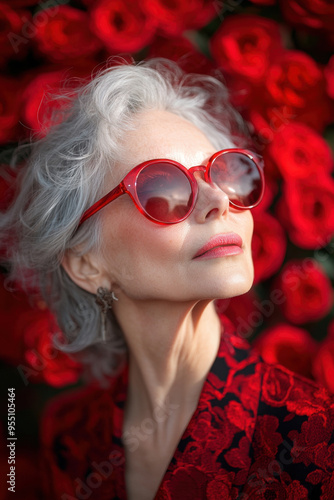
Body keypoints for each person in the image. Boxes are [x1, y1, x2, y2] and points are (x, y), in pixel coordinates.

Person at [1, 59, 334, 500]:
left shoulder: (316, 439)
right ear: (86, 264)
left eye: (227, 172)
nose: (219, 201)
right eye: (163, 189)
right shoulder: (72, 438)